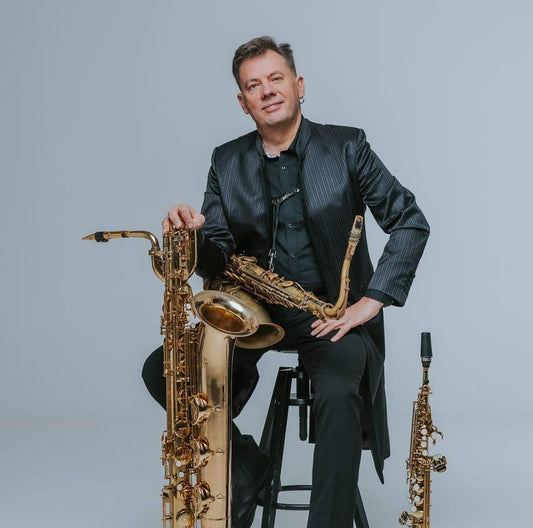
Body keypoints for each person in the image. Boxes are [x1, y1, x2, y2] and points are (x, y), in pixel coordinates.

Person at [143, 36, 430, 528]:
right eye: (254, 85)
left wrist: (372, 300)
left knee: (338, 393)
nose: (268, 90)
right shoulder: (226, 161)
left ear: (299, 86)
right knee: (162, 371)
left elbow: (410, 221)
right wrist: (192, 235)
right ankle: (247, 466)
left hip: (329, 317)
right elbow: (218, 252)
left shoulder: (347, 146)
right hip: (252, 315)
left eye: (276, 79)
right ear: (243, 102)